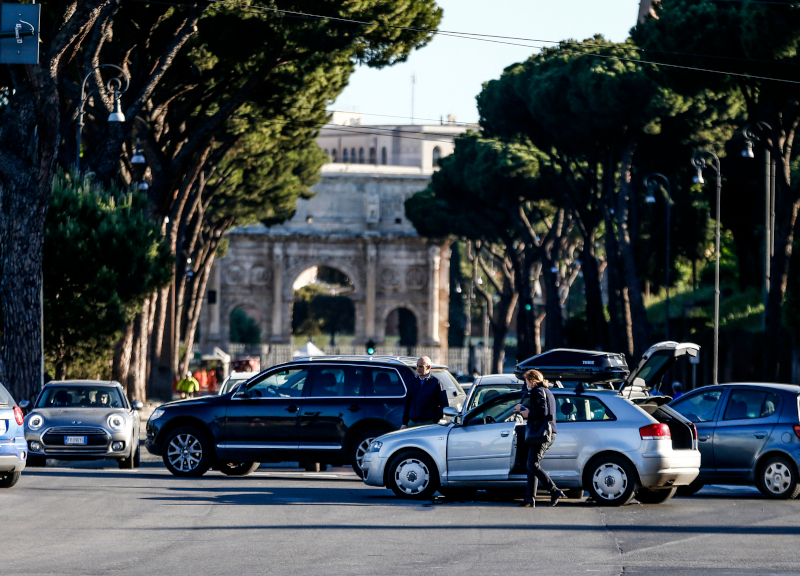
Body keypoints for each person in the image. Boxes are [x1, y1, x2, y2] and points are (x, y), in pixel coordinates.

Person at [513, 369, 566, 508]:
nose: (526, 384)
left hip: (542, 433)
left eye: (526, 381)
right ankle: (529, 498)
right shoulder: (545, 391)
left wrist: (527, 414)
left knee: (532, 465)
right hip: (545, 432)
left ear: (532, 381)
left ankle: (554, 490)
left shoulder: (537, 391)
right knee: (530, 465)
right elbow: (540, 408)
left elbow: (543, 411)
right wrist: (524, 408)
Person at [401, 356, 448, 429]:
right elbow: (407, 403)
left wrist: (435, 420)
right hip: (413, 422)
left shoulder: (436, 383)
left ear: (428, 367)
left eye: (421, 367)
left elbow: (444, 404)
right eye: (417, 366)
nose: (418, 369)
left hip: (428, 423)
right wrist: (404, 423)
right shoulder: (412, 381)